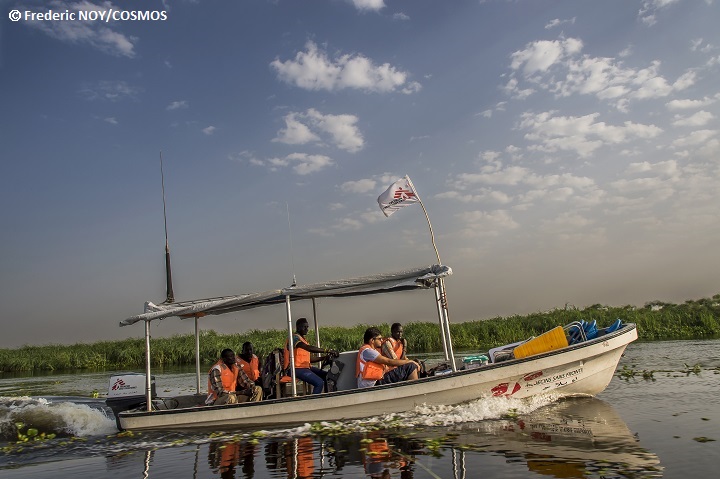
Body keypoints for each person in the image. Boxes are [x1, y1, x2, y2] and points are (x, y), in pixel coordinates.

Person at [284, 317, 338, 394]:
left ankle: (328, 396)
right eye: (304, 327)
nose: (307, 329)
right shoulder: (294, 338)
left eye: (307, 327)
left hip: (304, 367)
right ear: (298, 327)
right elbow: (308, 348)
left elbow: (309, 359)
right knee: (319, 383)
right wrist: (327, 350)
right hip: (295, 369)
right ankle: (314, 403)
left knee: (327, 376)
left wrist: (323, 358)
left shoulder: (303, 339)